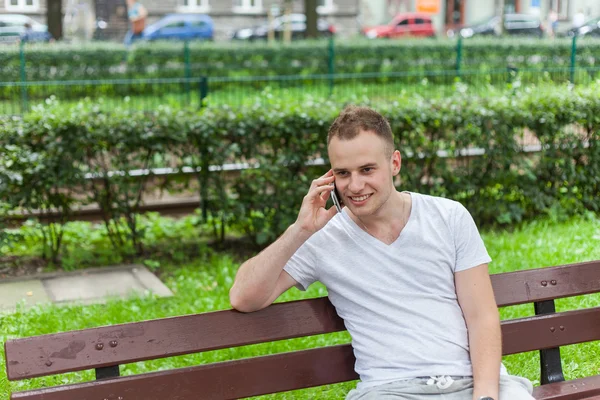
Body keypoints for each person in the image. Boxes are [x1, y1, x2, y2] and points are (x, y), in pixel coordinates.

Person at [230, 105, 535, 400]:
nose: (355, 185)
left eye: (367, 169)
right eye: (343, 173)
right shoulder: (322, 239)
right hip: (391, 390)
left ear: (394, 163)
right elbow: (244, 297)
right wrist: (300, 230)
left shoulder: (448, 217)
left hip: (473, 383)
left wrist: (485, 397)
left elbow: (481, 317)